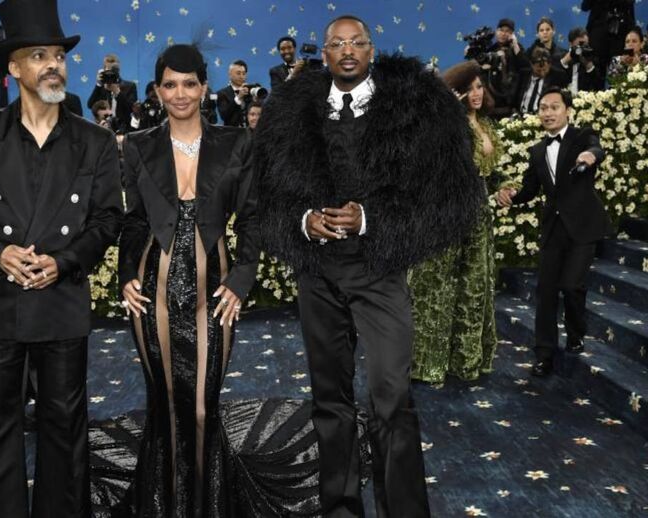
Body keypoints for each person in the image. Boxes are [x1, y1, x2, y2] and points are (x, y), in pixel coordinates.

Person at [255, 14, 483, 517]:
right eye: (337, 43)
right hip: (317, 274)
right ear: (325, 54)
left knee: (391, 397)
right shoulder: (290, 113)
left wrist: (370, 219)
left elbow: (445, 200)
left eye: (357, 41)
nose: (348, 50)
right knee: (329, 399)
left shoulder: (415, 111)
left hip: (379, 272)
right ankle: (341, 507)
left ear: (372, 50)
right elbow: (264, 198)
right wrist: (303, 221)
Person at [0, 0, 122, 514]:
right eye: (39, 56)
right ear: (14, 68)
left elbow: (108, 219)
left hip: (61, 303)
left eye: (59, 56)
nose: (53, 65)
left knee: (65, 426)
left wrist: (64, 261)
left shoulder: (95, 141)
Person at [118, 43, 259, 516]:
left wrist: (242, 277)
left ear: (203, 87)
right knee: (163, 402)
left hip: (215, 286)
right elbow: (133, 220)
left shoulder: (236, 142)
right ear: (158, 91)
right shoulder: (137, 145)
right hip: (151, 288)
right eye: (170, 85)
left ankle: (205, 506)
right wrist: (125, 274)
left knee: (201, 405)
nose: (180, 94)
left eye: (189, 84)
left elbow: (252, 215)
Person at [496, 87, 611, 377]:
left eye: (554, 107)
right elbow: (530, 189)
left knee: (572, 285)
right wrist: (510, 195)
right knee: (545, 291)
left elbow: (597, 148)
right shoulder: (537, 151)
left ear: (567, 110)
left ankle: (576, 332)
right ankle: (544, 355)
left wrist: (590, 155)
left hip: (583, 225)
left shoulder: (582, 136)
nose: (548, 113)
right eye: (543, 108)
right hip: (553, 229)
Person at [409, 61, 502, 385]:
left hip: (478, 217)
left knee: (473, 289)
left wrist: (504, 186)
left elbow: (490, 172)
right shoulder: (446, 125)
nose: (476, 93)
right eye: (468, 88)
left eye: (479, 87)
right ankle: (427, 363)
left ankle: (463, 361)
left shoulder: (486, 124)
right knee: (437, 290)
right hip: (447, 215)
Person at [474, 18, 530, 119]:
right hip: (491, 100)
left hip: (508, 100)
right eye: (501, 30)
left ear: (512, 34)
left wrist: (515, 44)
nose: (503, 34)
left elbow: (525, 66)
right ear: (496, 31)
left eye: (507, 31)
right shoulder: (490, 49)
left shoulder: (516, 48)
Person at [583, 0, 637, 85]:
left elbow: (630, 6)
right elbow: (585, 6)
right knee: (596, 75)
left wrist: (632, 33)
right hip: (598, 36)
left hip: (620, 34)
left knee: (619, 76)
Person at [87, 53, 138, 125]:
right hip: (104, 127)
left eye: (113, 71)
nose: (110, 74)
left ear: (118, 71)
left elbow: (131, 109)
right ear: (104, 71)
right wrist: (98, 85)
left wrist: (117, 92)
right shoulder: (101, 88)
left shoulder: (130, 86)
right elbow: (90, 105)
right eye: (108, 71)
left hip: (124, 127)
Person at [515, 47, 568, 115]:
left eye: (544, 70)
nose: (542, 73)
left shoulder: (558, 77)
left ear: (549, 65)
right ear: (531, 64)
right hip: (520, 115)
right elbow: (514, 100)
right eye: (538, 70)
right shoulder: (523, 75)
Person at [560, 27, 602, 94]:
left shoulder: (593, 60)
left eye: (586, 45)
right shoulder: (561, 57)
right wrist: (564, 61)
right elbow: (553, 79)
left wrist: (588, 65)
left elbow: (598, 86)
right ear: (570, 44)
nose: (583, 48)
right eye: (580, 45)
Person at [216, 60, 253, 127]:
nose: (241, 76)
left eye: (244, 73)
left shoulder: (250, 91)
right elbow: (224, 116)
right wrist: (238, 97)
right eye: (238, 73)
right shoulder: (221, 93)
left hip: (251, 131)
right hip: (232, 132)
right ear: (230, 74)